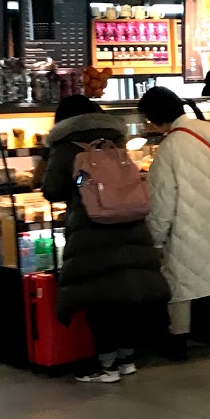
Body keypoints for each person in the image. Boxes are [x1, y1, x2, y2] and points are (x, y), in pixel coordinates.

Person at [41, 96, 167, 383]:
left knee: (98, 300)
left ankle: (107, 366)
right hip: (128, 224)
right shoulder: (115, 139)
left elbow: (52, 190)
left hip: (91, 230)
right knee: (123, 297)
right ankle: (127, 360)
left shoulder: (65, 146)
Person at [138, 85, 210, 360]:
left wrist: (156, 238)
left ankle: (178, 344)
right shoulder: (207, 130)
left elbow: (162, 202)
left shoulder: (167, 149)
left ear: (157, 119)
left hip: (186, 228)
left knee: (179, 284)